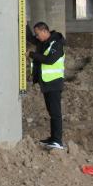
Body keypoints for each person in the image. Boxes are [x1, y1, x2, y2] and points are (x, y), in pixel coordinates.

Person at [27, 21, 66, 150]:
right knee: (51, 112)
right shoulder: (44, 42)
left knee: (55, 113)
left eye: (38, 34)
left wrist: (31, 54)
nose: (36, 37)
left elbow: (50, 60)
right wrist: (24, 23)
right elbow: (30, 38)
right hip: (47, 83)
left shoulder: (57, 43)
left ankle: (58, 141)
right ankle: (53, 138)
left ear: (45, 31)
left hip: (54, 83)